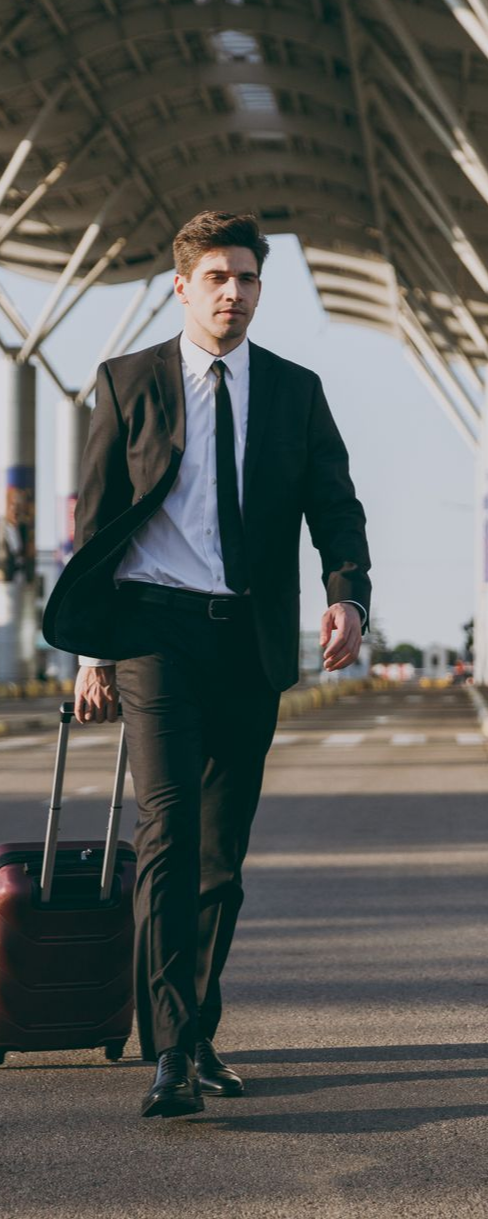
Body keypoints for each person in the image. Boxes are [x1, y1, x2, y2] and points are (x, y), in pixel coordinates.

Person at [43, 210, 371, 1119]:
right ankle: (171, 1051)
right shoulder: (128, 381)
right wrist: (93, 649)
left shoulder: (296, 393)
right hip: (153, 633)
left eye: (248, 278)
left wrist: (346, 595)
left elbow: (336, 506)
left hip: (249, 637)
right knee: (168, 833)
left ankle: (198, 1034)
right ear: (183, 287)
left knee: (221, 858)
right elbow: (98, 521)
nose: (234, 293)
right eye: (217, 278)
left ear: (262, 289)